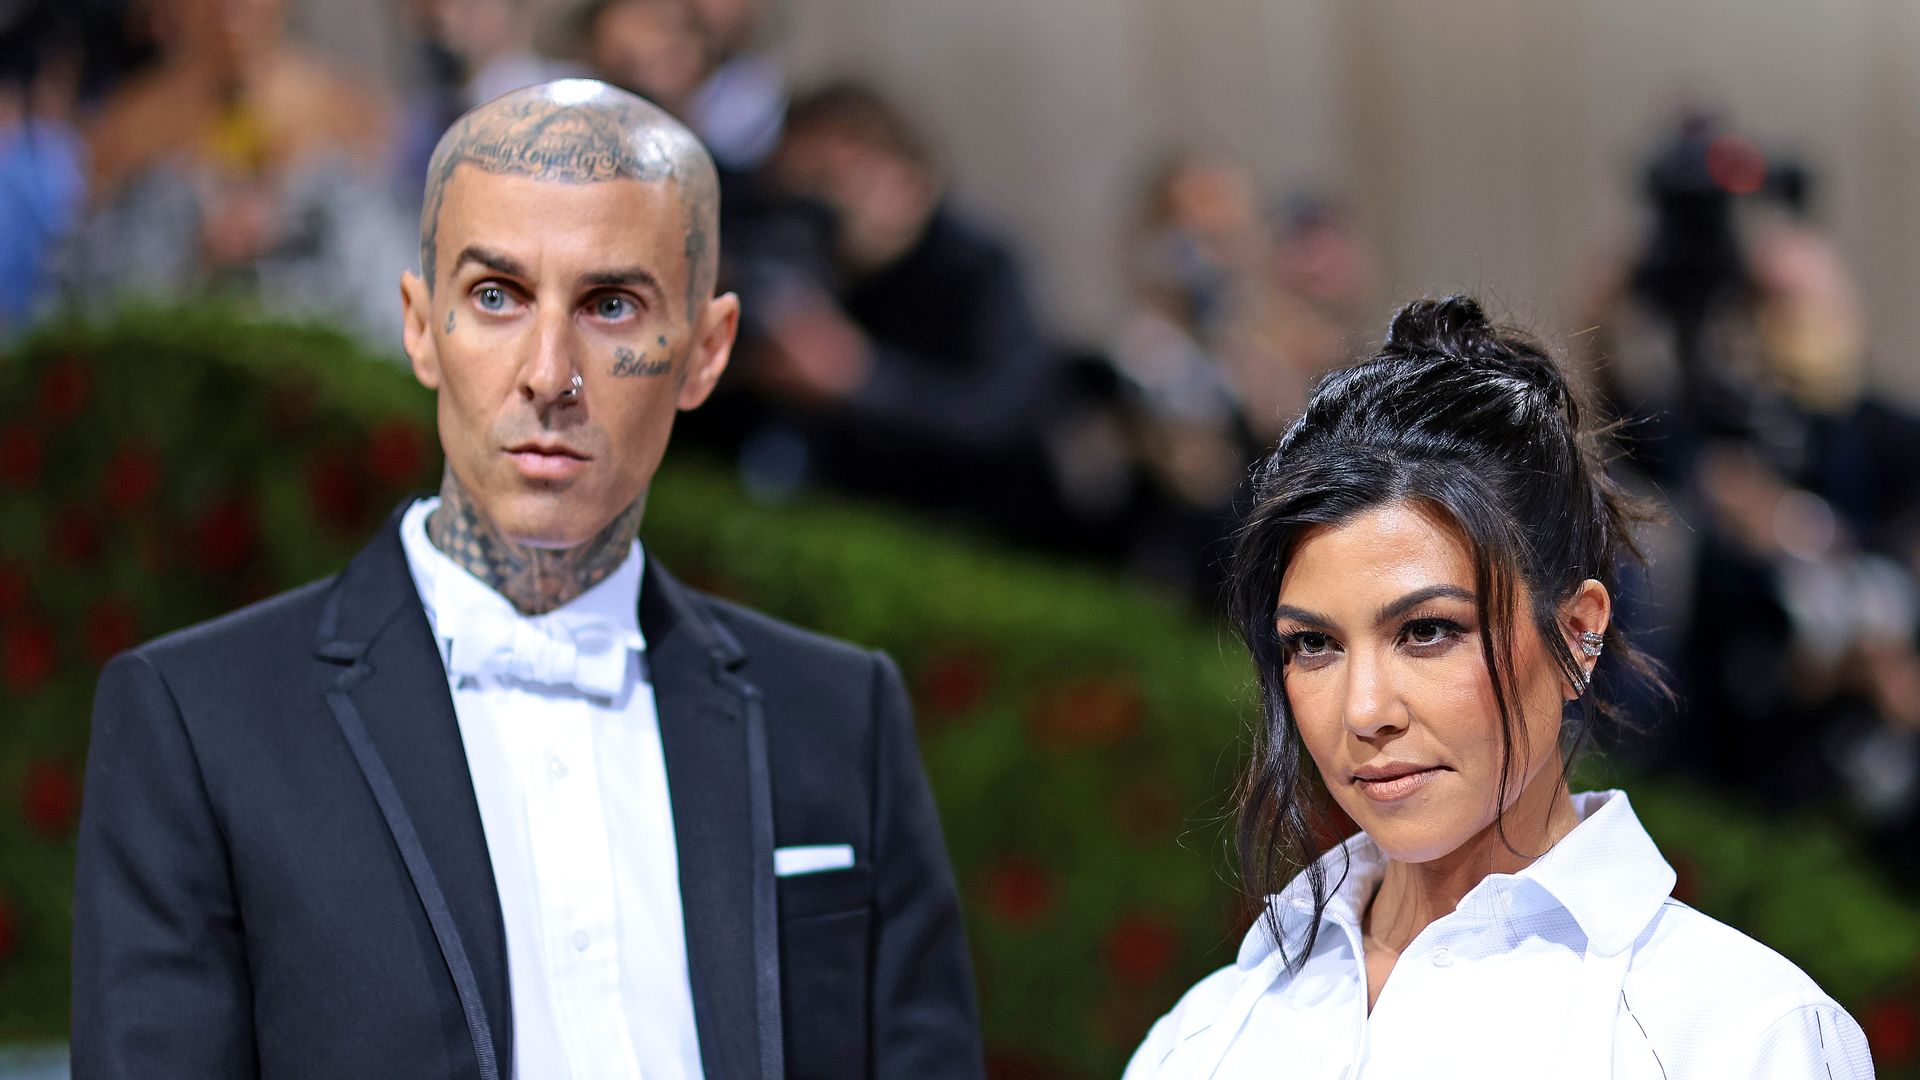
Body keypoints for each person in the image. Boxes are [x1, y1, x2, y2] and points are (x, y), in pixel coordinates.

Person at [72, 79, 983, 1080]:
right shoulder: (201, 724)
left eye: (611, 305)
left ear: (705, 351)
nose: (550, 373)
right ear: (421, 326)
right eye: (496, 297)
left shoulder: (840, 716)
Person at [1124, 296, 1872, 1077]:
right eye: (1314, 644)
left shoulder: (1742, 1037)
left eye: (1427, 631)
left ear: (1578, 634)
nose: (1365, 710)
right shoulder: (1205, 1039)